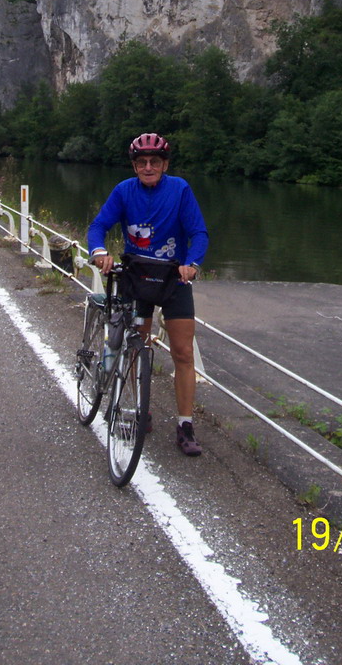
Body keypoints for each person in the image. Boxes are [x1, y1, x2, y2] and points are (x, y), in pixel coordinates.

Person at [87, 132, 209, 456]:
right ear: (135, 166)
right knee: (135, 346)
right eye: (142, 162)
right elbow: (98, 226)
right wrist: (100, 252)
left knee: (183, 352)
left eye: (155, 161)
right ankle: (139, 410)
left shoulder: (180, 189)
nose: (148, 167)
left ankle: (185, 425)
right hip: (137, 278)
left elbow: (198, 233)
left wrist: (192, 264)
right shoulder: (124, 191)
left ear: (165, 164)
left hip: (173, 279)